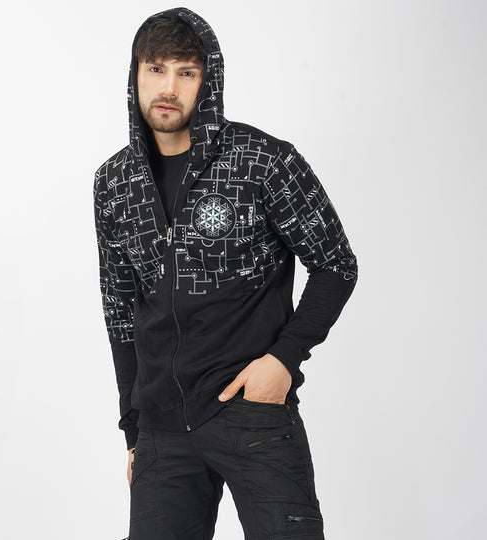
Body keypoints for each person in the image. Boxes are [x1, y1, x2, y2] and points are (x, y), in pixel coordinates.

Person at [93, 7, 358, 540]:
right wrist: (133, 431)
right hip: (162, 430)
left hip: (251, 413)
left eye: (186, 72)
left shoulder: (262, 161)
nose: (169, 88)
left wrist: (282, 360)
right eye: (156, 69)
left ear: (207, 81)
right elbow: (121, 313)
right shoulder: (114, 183)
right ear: (135, 74)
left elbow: (335, 263)